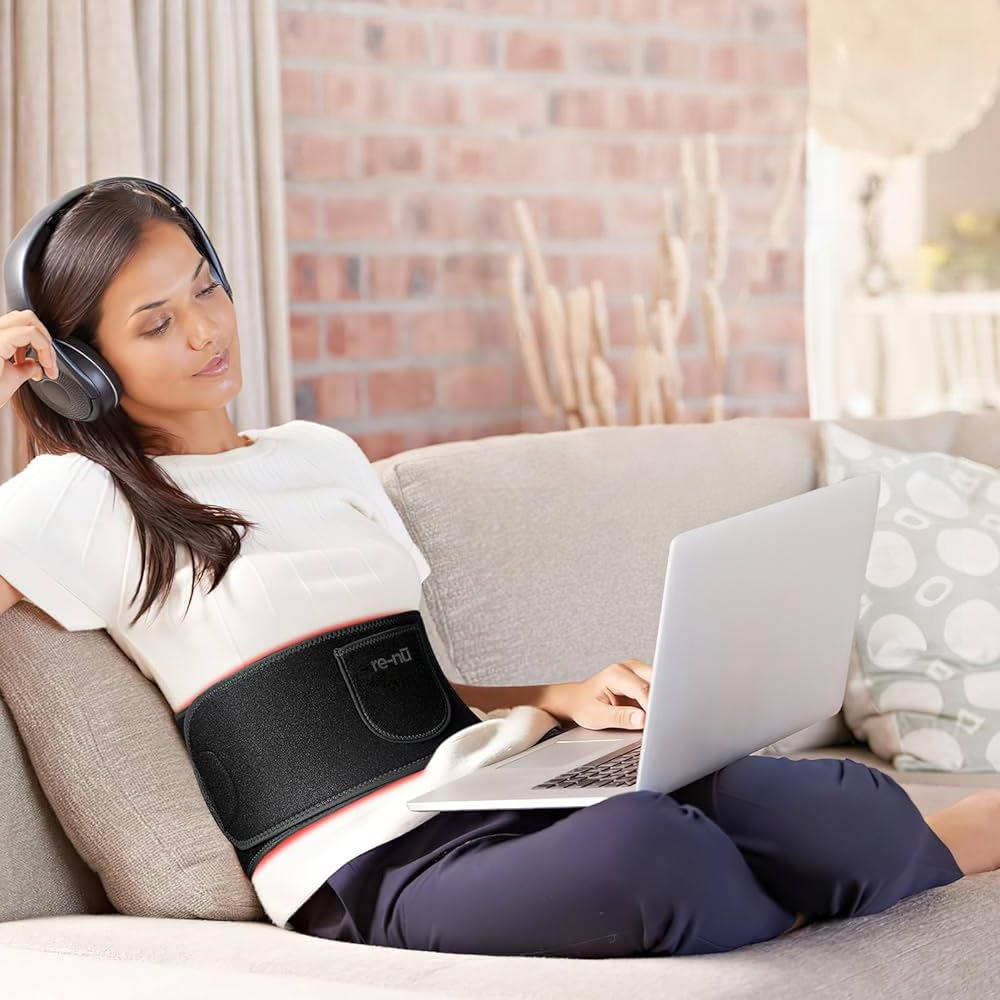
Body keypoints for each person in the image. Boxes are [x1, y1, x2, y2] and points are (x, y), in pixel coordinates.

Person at [0, 178, 993, 959]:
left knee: (825, 800)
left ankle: (837, 878)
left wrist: (557, 696)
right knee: (654, 849)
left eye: (203, 288)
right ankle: (842, 888)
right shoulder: (77, 501)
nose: (206, 332)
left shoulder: (319, 452)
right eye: (156, 322)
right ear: (86, 367)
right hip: (363, 862)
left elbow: (397, 676)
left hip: (493, 778)